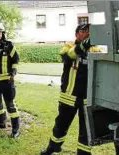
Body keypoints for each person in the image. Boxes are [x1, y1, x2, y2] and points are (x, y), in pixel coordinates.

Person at [40, 24, 107, 155]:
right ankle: (52, 149)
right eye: (83, 31)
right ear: (76, 34)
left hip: (87, 98)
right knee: (61, 126)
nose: (87, 33)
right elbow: (69, 55)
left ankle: (83, 153)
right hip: (68, 97)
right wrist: (84, 45)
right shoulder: (68, 46)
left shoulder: (95, 50)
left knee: (86, 130)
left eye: (89, 31)